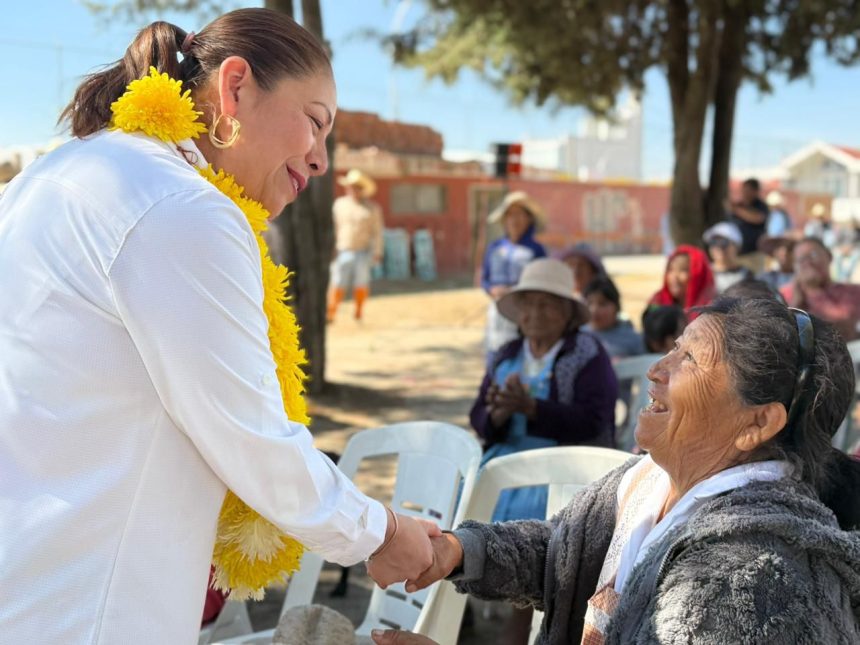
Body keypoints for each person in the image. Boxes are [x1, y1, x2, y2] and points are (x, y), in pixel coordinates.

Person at [0, 11, 437, 643]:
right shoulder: (185, 208)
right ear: (235, 88)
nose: (319, 161)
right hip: (89, 607)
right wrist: (381, 533)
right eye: (315, 123)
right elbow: (251, 436)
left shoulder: (51, 176)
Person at [375, 297, 860, 645]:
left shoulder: (752, 575)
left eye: (689, 358)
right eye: (673, 347)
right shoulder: (650, 482)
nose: (657, 369)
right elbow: (568, 554)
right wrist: (459, 551)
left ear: (758, 422)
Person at [470, 258, 617, 644]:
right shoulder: (506, 353)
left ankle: (518, 625)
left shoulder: (587, 354)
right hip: (504, 462)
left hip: (563, 466)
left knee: (533, 522)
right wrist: (498, 414)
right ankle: (463, 613)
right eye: (528, 304)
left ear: (567, 312)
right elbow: (478, 416)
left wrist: (534, 409)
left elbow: (594, 419)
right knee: (462, 505)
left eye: (547, 304)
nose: (535, 313)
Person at [481, 191, 547, 364]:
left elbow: (543, 282)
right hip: (497, 311)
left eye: (519, 214)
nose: (514, 219)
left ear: (529, 218)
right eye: (510, 215)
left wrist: (517, 292)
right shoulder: (495, 248)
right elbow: (485, 278)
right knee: (495, 352)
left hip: (525, 312)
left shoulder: (536, 250)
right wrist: (492, 290)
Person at [327, 169, 384, 323]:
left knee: (361, 282)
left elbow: (377, 232)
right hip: (341, 249)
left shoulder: (372, 208)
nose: (353, 190)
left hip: (363, 251)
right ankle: (331, 313)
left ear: (362, 189)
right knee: (338, 281)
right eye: (351, 186)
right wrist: (330, 249)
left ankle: (358, 312)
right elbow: (333, 228)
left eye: (356, 187)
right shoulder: (339, 205)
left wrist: (377, 252)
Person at [781, 237, 860, 341]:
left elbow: (843, 330)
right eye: (800, 259)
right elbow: (784, 334)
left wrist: (814, 291)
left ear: (829, 256)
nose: (808, 263)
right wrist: (796, 302)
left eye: (813, 255)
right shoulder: (784, 294)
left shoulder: (853, 292)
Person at [583, 276, 644, 360]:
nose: (594, 310)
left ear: (617, 307)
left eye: (602, 304)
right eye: (589, 303)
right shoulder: (577, 337)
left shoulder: (633, 339)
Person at [647, 245, 716, 317]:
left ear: (700, 275)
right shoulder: (657, 303)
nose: (674, 277)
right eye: (670, 269)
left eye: (683, 270)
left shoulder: (711, 312)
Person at [728, 177, 769, 272]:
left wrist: (736, 210)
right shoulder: (738, 205)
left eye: (748, 190)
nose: (744, 193)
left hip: (754, 253)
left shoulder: (761, 206)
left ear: (755, 191)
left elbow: (757, 218)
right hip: (737, 253)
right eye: (743, 189)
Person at [702, 221, 751, 293]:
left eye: (724, 242)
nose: (718, 247)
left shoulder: (747, 275)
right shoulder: (702, 274)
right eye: (713, 242)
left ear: (737, 247)